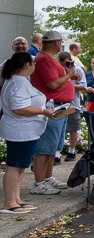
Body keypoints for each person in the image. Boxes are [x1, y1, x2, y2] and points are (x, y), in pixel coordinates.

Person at [1, 52, 65, 213]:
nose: (35, 65)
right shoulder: (17, 83)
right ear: (27, 65)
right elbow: (19, 108)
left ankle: (16, 198)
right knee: (14, 166)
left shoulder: (21, 81)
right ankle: (9, 202)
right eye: (33, 63)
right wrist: (43, 111)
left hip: (28, 130)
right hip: (20, 131)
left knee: (21, 166)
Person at [29, 30, 78, 195]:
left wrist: (69, 76)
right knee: (45, 147)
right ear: (56, 42)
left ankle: (48, 178)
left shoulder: (48, 59)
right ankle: (39, 183)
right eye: (60, 41)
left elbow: (57, 80)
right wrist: (69, 75)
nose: (61, 44)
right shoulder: (44, 59)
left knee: (53, 146)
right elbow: (52, 84)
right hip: (52, 106)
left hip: (60, 107)